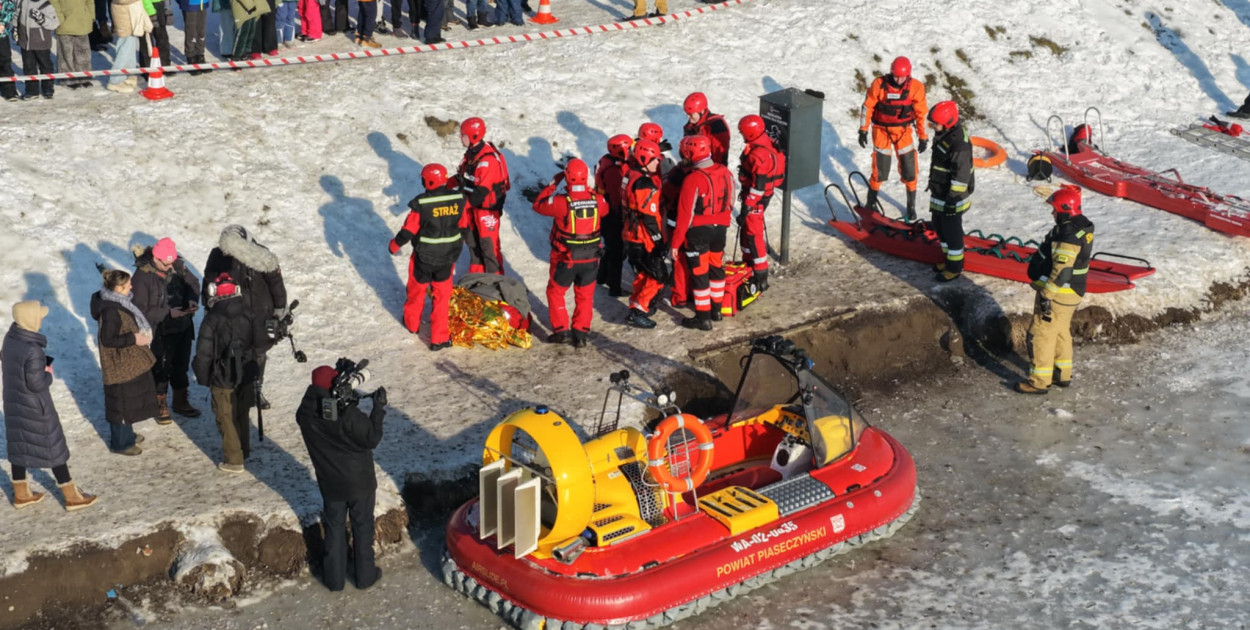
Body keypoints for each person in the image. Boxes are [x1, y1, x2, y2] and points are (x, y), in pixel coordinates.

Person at [296, 366, 386, 591]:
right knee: (362, 527)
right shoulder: (345, 414)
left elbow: (323, 417)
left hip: (330, 483)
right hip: (359, 482)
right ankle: (365, 577)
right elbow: (371, 437)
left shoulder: (305, 412)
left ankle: (334, 581)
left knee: (335, 528)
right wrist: (378, 409)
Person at [3, 301, 98, 511]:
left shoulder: (10, 339)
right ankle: (71, 496)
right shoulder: (33, 350)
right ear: (30, 319)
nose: (42, 319)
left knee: (20, 445)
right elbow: (36, 383)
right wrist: (47, 373)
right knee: (53, 448)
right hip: (36, 407)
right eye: (39, 316)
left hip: (14, 403)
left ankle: (21, 494)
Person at [1017, 186, 1094, 395]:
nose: (1052, 213)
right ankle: (1062, 373)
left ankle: (1039, 381)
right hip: (1072, 292)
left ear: (1065, 209)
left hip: (1059, 293)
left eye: (1054, 209)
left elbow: (1062, 272)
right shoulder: (1081, 227)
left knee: (1041, 333)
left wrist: (1046, 295)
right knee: (1060, 331)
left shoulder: (1067, 235)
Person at [202, 225, 287, 410]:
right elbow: (209, 279)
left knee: (259, 352)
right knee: (233, 351)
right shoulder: (218, 255)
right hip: (232, 314)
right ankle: (234, 387)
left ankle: (257, 389)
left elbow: (275, 282)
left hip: (259, 313)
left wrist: (280, 307)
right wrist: (209, 303)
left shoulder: (261, 254)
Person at [193, 273, 270, 473]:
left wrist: (203, 377)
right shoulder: (250, 312)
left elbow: (203, 353)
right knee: (242, 411)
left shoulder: (212, 319)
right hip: (247, 371)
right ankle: (244, 450)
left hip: (222, 376)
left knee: (225, 416)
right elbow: (262, 342)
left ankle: (234, 460)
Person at [389, 163, 469, 351]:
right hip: (447, 259)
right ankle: (439, 339)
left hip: (423, 258)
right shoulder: (458, 199)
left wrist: (394, 246)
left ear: (428, 181)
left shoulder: (422, 203)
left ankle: (412, 324)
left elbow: (408, 230)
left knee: (416, 291)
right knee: (442, 297)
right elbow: (464, 226)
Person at [533, 158, 608, 347]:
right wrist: (589, 191)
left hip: (565, 258)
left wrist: (553, 184)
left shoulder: (560, 202)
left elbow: (538, 205)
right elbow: (606, 209)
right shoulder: (597, 200)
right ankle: (581, 332)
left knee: (555, 292)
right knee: (585, 295)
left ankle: (561, 330)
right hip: (590, 259)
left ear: (567, 177)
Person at [131, 238, 202, 423]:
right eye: (167, 262)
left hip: (183, 326)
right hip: (160, 330)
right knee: (160, 369)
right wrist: (168, 313)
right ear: (156, 258)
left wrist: (192, 299)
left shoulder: (177, 265)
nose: (170, 266)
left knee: (181, 366)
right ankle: (159, 403)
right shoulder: (141, 277)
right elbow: (139, 309)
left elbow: (193, 284)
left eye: (172, 261)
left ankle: (180, 401)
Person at [91, 269, 159, 455]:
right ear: (119, 288)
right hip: (119, 365)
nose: (131, 286)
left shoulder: (119, 301)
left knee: (128, 400)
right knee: (120, 402)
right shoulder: (111, 310)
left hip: (127, 361)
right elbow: (108, 340)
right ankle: (121, 443)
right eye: (128, 284)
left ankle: (127, 435)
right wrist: (134, 338)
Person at [672, 135, 734, 331]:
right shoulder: (724, 171)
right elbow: (731, 199)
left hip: (698, 232)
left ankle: (703, 317)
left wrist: (675, 244)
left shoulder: (693, 179)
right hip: (720, 229)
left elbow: (684, 215)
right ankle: (717, 310)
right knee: (716, 268)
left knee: (700, 274)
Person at [858, 56, 929, 221]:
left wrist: (923, 137)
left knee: (909, 168)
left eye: (902, 77)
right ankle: (871, 202)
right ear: (891, 72)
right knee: (880, 167)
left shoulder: (916, 87)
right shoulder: (879, 84)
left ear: (908, 75)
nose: (898, 80)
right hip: (881, 130)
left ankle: (911, 206)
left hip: (903, 131)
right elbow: (867, 106)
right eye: (895, 76)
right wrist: (863, 130)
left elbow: (921, 114)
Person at [453, 117, 511, 275]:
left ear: (473, 136)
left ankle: (496, 283)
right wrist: (442, 185)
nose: (460, 137)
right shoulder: (471, 155)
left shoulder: (488, 160)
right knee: (473, 245)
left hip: (486, 210)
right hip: (472, 208)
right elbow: (462, 176)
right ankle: (477, 278)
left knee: (488, 247)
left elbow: (481, 192)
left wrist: (459, 207)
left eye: (463, 134)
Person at [735, 114, 785, 292]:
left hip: (756, 199)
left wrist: (748, 206)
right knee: (748, 233)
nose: (741, 135)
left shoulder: (759, 154)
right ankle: (748, 264)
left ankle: (760, 276)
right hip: (759, 196)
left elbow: (758, 187)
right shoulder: (765, 142)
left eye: (742, 132)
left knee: (754, 235)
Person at [925, 100, 974, 282]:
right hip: (940, 191)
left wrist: (952, 200)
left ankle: (954, 267)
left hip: (953, 196)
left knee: (951, 231)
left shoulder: (959, 143)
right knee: (939, 225)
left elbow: (961, 176)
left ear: (947, 123)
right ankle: (947, 259)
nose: (932, 127)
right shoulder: (945, 135)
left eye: (935, 124)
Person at [621, 139, 667, 329]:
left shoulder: (629, 175)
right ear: (644, 158)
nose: (658, 163)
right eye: (655, 159)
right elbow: (649, 215)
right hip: (643, 236)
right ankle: (639, 311)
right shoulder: (644, 183)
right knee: (658, 275)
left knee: (643, 272)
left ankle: (638, 304)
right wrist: (658, 240)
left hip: (630, 234)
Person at [594, 134, 633, 297]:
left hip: (608, 212)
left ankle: (602, 276)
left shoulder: (607, 162)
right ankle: (614, 287)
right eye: (629, 148)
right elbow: (617, 196)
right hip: (613, 214)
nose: (631, 150)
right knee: (617, 251)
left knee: (612, 248)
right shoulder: (614, 171)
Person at [16, 0, 59, 100]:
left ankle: (48, 88)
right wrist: (15, 28)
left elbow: (54, 23)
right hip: (25, 42)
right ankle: (32, 90)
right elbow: (17, 14)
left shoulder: (46, 4)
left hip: (41, 42)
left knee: (45, 66)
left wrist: (42, 19)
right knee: (28, 66)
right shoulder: (22, 1)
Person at [104, 0, 150, 93]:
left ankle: (129, 75)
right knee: (124, 48)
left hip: (129, 14)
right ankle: (115, 81)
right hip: (123, 16)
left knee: (130, 47)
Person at [50, 0, 93, 89]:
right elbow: (54, 2)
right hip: (64, 23)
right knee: (66, 54)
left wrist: (91, 15)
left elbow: (90, 2)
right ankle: (68, 79)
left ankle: (84, 76)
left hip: (83, 21)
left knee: (83, 53)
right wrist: (59, 17)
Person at [681, 92, 731, 167]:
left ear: (701, 111)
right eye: (687, 114)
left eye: (691, 114)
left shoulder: (716, 125)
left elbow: (720, 154)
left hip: (710, 168)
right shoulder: (690, 126)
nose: (688, 117)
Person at [178, 0, 211, 73]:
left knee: (201, 32)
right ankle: (191, 57)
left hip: (203, 3)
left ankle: (200, 56)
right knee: (191, 32)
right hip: (190, 5)